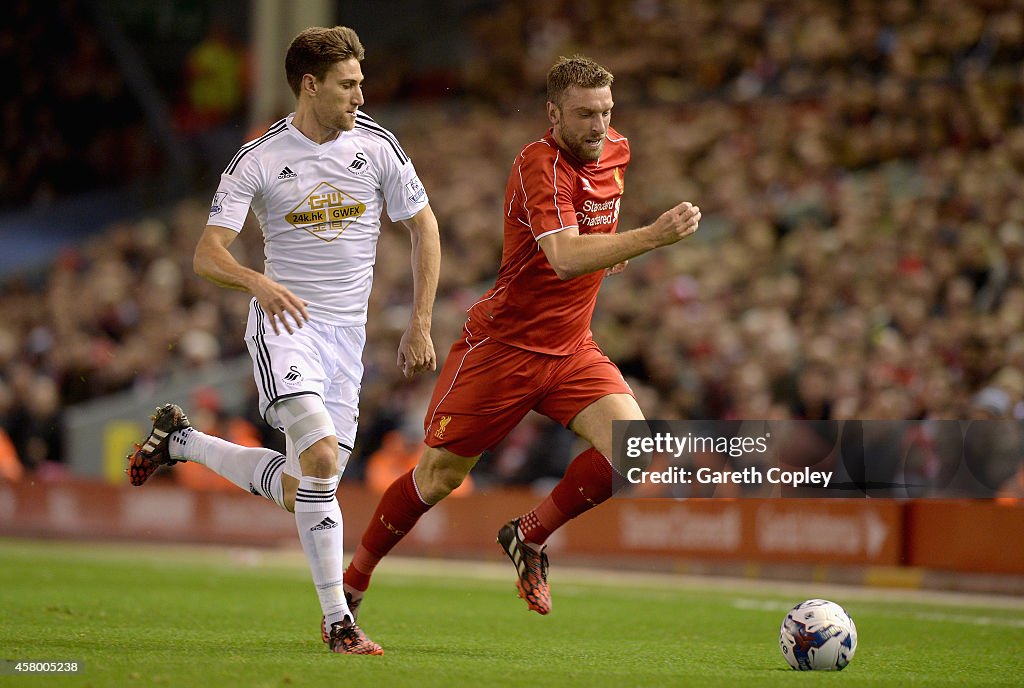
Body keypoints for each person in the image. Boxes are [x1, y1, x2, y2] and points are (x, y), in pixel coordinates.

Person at [341, 55, 700, 619]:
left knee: (632, 451)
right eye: (584, 114)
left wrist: (611, 251)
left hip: (571, 347)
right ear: (553, 113)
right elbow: (561, 257)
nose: (598, 126)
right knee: (437, 478)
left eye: (606, 112)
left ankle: (527, 536)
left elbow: (589, 236)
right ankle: (353, 581)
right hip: (504, 348)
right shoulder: (538, 162)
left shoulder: (617, 151)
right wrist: (650, 237)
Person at [125, 25, 440, 655]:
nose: (360, 94)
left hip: (348, 341)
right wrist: (256, 283)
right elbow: (207, 254)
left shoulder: (377, 145)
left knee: (306, 489)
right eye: (348, 84)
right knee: (321, 460)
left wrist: (421, 320)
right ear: (310, 84)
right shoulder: (259, 159)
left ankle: (181, 441)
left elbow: (424, 228)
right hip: (285, 328)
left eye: (361, 82)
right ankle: (337, 622)